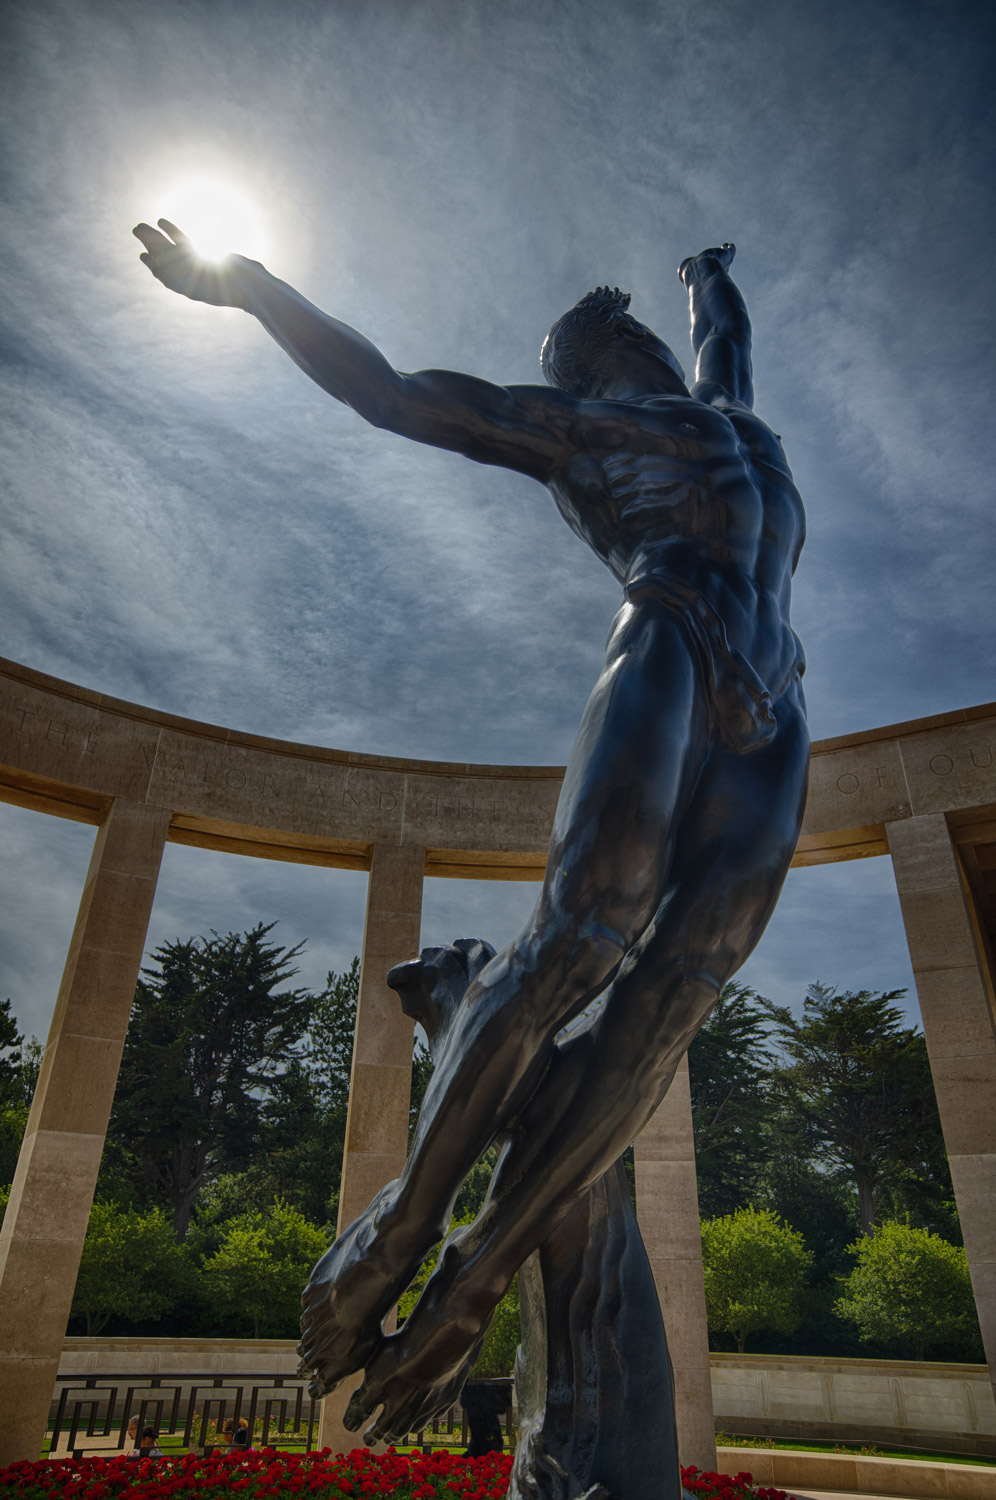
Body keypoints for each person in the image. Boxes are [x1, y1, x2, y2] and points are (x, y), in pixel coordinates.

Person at [134, 222, 809, 1443]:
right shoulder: (574, 432)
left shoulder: (737, 425)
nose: (637, 340)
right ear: (587, 365)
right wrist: (248, 287)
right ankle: (404, 1231)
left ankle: (474, 1281)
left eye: (639, 328)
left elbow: (728, 345)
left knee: (669, 1005)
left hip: (778, 710)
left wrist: (711, 276)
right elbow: (387, 392)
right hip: (668, 638)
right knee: (579, 945)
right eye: (605, 338)